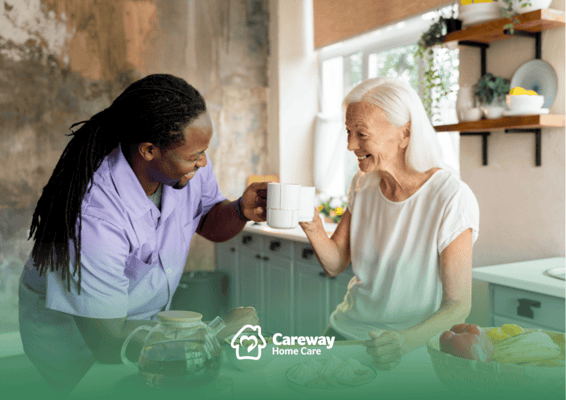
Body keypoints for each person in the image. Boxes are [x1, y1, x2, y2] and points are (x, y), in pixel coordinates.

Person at [19, 74, 265, 394]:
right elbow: (108, 345)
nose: (204, 163)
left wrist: (239, 211)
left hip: (140, 331)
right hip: (79, 344)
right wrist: (215, 333)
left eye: (203, 152)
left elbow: (207, 220)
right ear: (149, 150)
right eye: (194, 156)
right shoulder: (94, 215)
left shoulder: (186, 161)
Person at [299, 77, 479, 371]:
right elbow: (335, 264)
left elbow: (458, 305)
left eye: (361, 134)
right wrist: (312, 224)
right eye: (348, 131)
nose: (350, 145)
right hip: (343, 334)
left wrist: (403, 342)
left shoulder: (451, 197)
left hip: (404, 349)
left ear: (405, 134)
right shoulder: (362, 184)